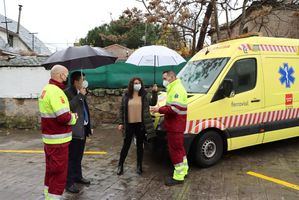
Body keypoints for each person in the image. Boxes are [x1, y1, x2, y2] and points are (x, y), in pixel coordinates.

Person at [38, 65, 78, 200]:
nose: (67, 77)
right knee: (59, 173)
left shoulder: (46, 89)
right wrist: (73, 117)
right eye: (66, 75)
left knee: (50, 171)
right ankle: (53, 198)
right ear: (61, 75)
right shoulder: (56, 92)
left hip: (49, 140)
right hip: (58, 141)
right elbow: (63, 117)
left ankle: (47, 195)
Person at [151, 70, 189, 186]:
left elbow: (175, 109)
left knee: (175, 150)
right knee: (180, 149)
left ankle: (178, 177)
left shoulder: (176, 89)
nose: (164, 81)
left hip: (175, 126)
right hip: (176, 125)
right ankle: (184, 169)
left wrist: (159, 109)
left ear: (172, 77)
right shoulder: (174, 87)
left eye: (165, 78)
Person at [116, 77, 158, 175]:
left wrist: (154, 92)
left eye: (139, 83)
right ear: (131, 84)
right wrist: (120, 123)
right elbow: (122, 109)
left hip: (140, 125)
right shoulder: (126, 95)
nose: (137, 85)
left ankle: (139, 166)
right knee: (126, 145)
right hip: (129, 125)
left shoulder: (144, 95)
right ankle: (120, 165)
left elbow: (153, 103)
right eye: (135, 83)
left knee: (140, 146)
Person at [64, 71, 92, 193]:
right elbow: (69, 107)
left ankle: (78, 176)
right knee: (71, 157)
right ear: (75, 81)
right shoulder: (67, 93)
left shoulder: (81, 92)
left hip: (83, 129)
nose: (84, 82)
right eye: (82, 80)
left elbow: (84, 110)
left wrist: (89, 125)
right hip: (74, 131)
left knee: (79, 156)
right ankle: (69, 182)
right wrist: (80, 95)